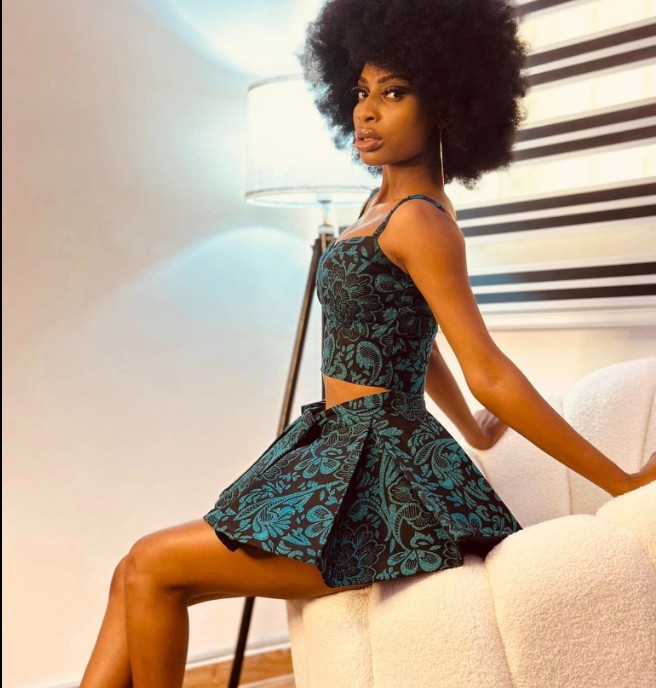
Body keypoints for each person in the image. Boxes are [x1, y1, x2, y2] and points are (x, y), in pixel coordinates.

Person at [80, 1, 656, 686]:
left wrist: (620, 482)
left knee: (150, 566)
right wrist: (473, 427)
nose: (367, 112)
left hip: (381, 481)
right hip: (337, 450)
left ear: (448, 106)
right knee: (133, 572)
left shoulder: (422, 222)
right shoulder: (375, 207)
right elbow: (411, 335)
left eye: (395, 92)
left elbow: (489, 371)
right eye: (360, 92)